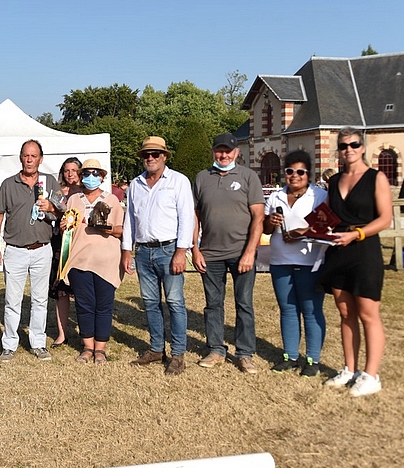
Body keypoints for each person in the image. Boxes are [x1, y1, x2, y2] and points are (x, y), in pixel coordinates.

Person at [318, 128, 392, 397]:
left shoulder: (376, 178)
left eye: (353, 144)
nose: (348, 149)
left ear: (362, 147)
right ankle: (349, 369)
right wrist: (308, 231)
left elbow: (385, 219)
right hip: (339, 251)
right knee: (345, 313)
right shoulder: (335, 181)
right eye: (343, 145)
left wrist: (357, 234)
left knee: (368, 313)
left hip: (364, 249)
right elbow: (326, 216)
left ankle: (371, 375)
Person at [120, 136, 195, 375]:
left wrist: (182, 252)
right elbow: (130, 220)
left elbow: (186, 218)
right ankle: (155, 349)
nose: (150, 158)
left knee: (174, 303)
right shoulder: (136, 184)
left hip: (169, 249)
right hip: (143, 251)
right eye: (146, 155)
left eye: (155, 154)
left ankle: (177, 354)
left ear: (164, 156)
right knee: (151, 303)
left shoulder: (178, 181)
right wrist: (126, 250)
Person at [192, 133, 265, 373]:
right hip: (210, 253)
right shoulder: (202, 177)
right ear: (213, 151)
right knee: (213, 305)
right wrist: (195, 247)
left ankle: (244, 353)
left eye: (228, 151)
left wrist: (249, 252)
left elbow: (258, 217)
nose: (223, 155)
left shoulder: (248, 177)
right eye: (219, 151)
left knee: (244, 303)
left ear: (237, 153)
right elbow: (195, 215)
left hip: (240, 252)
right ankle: (215, 349)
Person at [0, 140, 61, 362]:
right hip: (15, 250)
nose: (29, 160)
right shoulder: (8, 184)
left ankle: (38, 343)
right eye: (26, 155)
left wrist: (52, 207)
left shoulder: (49, 181)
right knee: (13, 300)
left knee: (40, 300)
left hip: (42, 249)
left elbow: (63, 211)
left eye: (34, 156)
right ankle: (9, 344)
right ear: (21, 158)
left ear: (41, 158)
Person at [262, 150, 328, 377]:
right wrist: (270, 221)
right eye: (290, 171)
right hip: (280, 261)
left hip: (309, 261)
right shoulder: (275, 196)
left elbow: (327, 226)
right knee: (288, 309)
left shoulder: (318, 196)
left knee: (310, 310)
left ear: (308, 174)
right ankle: (290, 356)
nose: (295, 176)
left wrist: (302, 231)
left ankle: (313, 360)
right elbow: (266, 230)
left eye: (300, 172)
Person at [60, 159, 125, 363]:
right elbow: (70, 229)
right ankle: (88, 346)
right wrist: (65, 225)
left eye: (95, 173)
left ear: (102, 177)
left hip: (106, 261)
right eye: (87, 173)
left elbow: (121, 230)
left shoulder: (112, 200)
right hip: (79, 260)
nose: (91, 177)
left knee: (104, 305)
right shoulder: (74, 200)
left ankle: (101, 348)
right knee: (84, 304)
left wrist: (106, 228)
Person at [50, 157, 83, 348]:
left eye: (74, 170)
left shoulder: (88, 194)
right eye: (66, 170)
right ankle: (62, 333)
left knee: (82, 290)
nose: (70, 174)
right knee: (61, 291)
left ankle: (85, 330)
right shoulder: (57, 194)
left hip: (80, 246)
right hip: (59, 247)